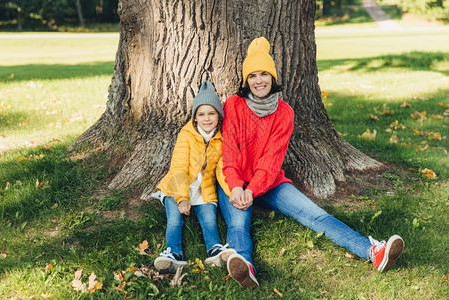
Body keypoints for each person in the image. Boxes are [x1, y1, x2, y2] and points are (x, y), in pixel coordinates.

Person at [217, 37, 405, 288]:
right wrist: (238, 187)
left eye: (264, 74)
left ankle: (373, 252)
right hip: (234, 180)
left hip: (270, 182)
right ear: (245, 80)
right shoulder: (233, 105)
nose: (258, 80)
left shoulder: (284, 113)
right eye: (252, 75)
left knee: (315, 215)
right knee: (238, 223)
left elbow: (272, 160)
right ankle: (245, 267)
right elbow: (229, 153)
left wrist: (253, 190)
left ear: (272, 78)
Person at [151, 81, 236, 274]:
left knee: (209, 220)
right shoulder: (187, 134)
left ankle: (215, 250)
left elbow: (223, 170)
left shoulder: (221, 138)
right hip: (176, 188)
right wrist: (182, 199)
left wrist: (232, 193)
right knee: (175, 220)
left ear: (219, 116)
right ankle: (173, 254)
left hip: (203, 190)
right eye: (201, 114)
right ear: (195, 118)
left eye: (211, 113)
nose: (207, 119)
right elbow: (178, 168)